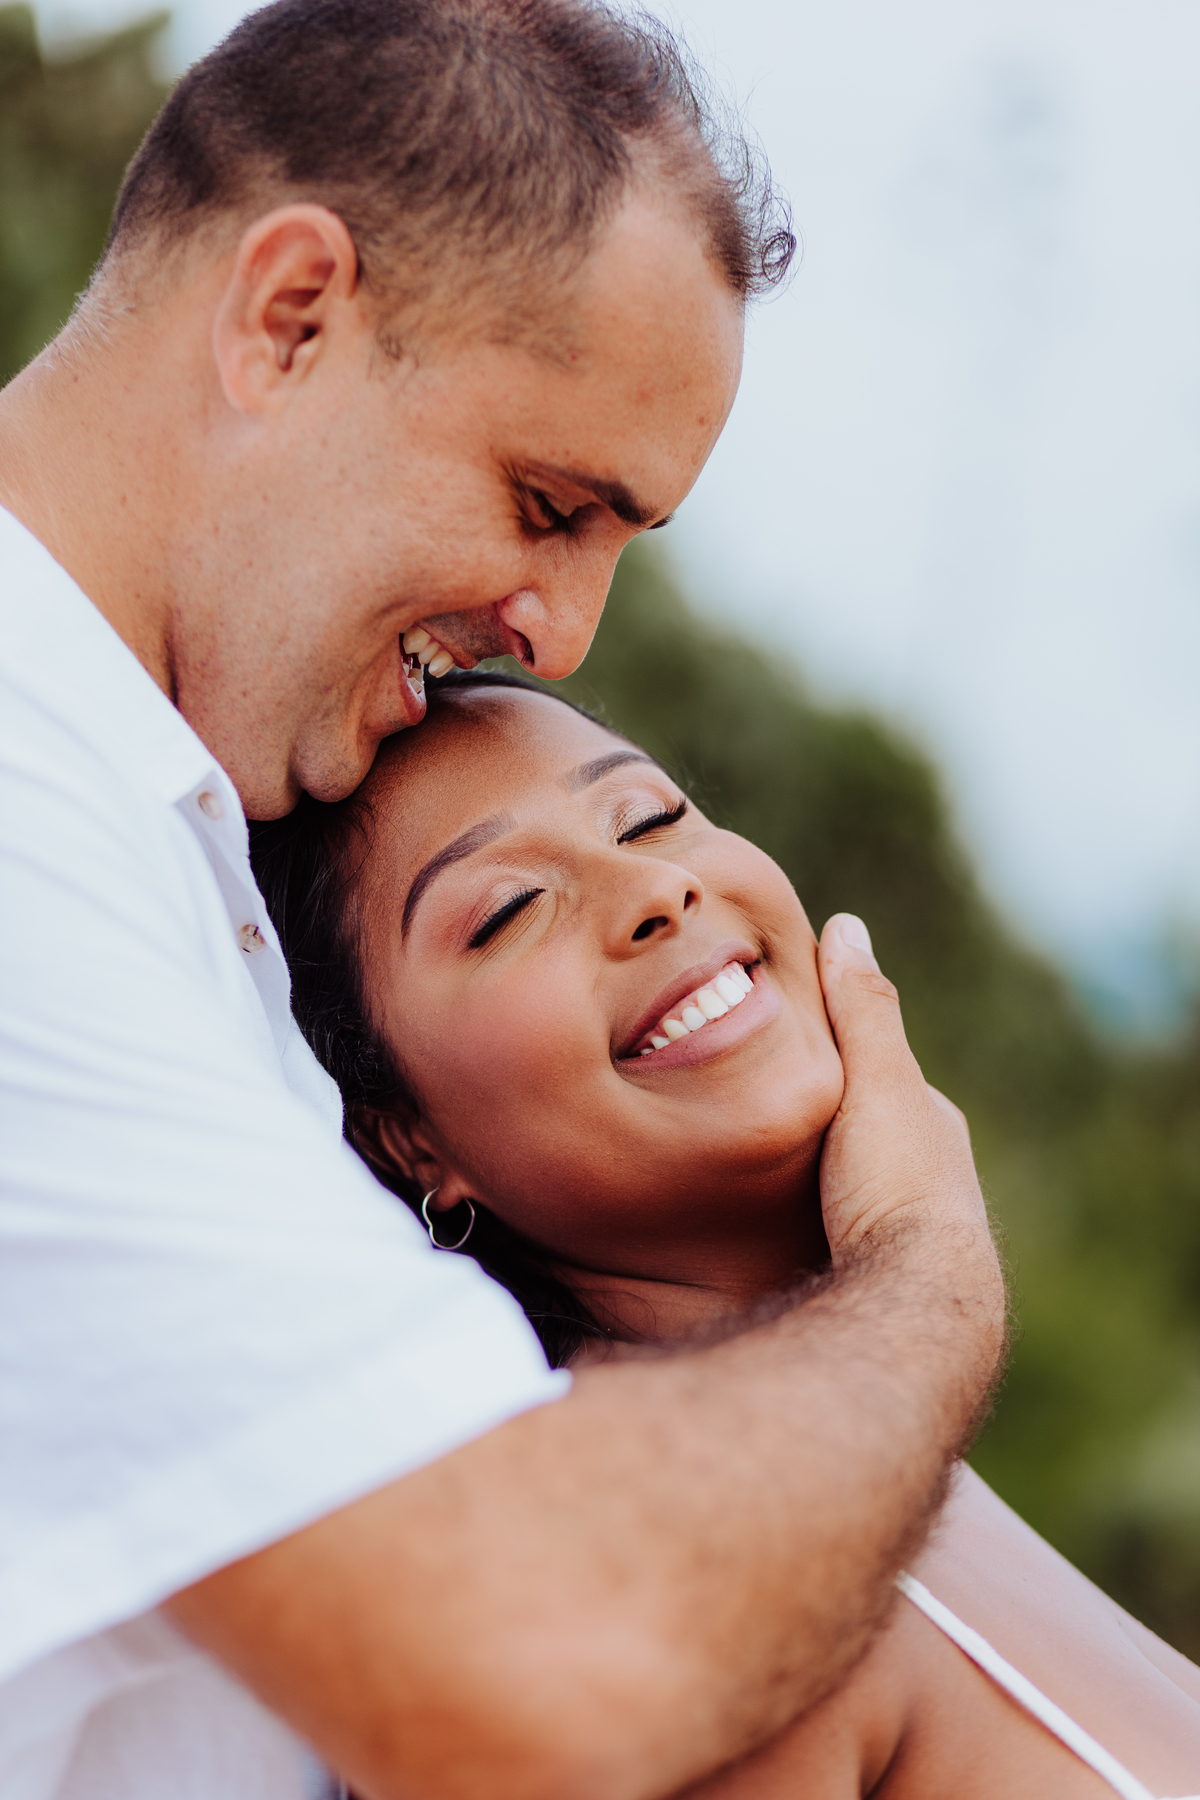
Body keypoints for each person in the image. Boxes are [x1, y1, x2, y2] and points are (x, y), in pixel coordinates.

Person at [0, 2, 1004, 1796]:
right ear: (288, 316)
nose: (559, 635)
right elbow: (526, 1675)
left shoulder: (167, 833)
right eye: (549, 504)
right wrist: (929, 1275)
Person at [252, 667, 1200, 1800]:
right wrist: (922, 1234)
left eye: (649, 816)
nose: (654, 888)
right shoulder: (668, 1596)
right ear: (408, 1141)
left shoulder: (891, 1477)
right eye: (507, 910)